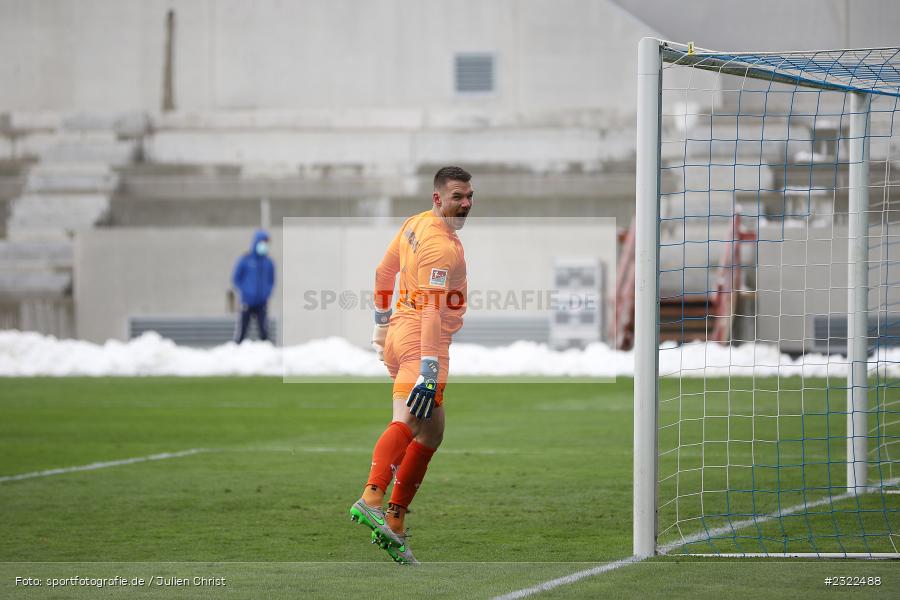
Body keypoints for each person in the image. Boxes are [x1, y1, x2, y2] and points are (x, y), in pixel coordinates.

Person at [349, 166, 473, 565]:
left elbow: (384, 272)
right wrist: (431, 366)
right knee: (411, 422)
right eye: (457, 197)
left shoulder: (413, 224)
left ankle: (395, 522)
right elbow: (435, 309)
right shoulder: (441, 247)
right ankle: (372, 497)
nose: (466, 203)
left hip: (400, 333)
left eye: (470, 196)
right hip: (424, 340)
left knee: (431, 431)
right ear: (438, 199)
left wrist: (381, 324)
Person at [231, 230, 276, 343]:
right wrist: (245, 291)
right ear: (256, 242)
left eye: (266, 243)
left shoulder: (268, 262)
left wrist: (267, 293)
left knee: (264, 333)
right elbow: (236, 278)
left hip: (262, 302)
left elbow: (272, 281)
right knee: (241, 332)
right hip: (247, 302)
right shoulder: (245, 260)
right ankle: (235, 353)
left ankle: (268, 353)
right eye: (263, 242)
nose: (264, 245)